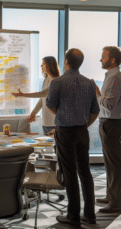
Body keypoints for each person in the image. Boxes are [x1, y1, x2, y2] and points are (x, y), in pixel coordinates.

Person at [46, 48, 99, 227]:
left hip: (65, 132)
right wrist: (84, 125)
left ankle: (73, 216)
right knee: (85, 173)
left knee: (70, 174)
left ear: (66, 62)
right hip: (82, 132)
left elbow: (51, 105)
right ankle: (90, 216)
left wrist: (62, 116)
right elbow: (95, 110)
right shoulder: (89, 83)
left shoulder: (58, 82)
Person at [94, 46, 121, 213]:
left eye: (103, 57)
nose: (100, 59)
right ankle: (111, 196)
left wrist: (96, 94)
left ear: (112, 60)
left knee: (114, 164)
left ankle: (116, 202)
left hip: (111, 124)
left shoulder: (116, 77)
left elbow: (109, 105)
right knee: (110, 164)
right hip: (107, 123)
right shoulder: (111, 76)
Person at [12, 56, 60, 135]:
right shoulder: (46, 80)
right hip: (45, 122)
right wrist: (34, 112)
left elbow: (43, 93)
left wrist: (23, 95)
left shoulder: (56, 81)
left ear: (49, 65)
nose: (41, 66)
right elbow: (42, 99)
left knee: (54, 146)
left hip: (54, 123)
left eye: (43, 63)